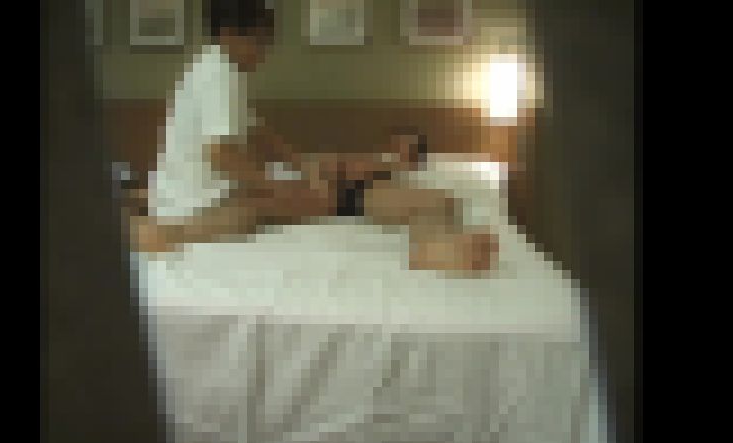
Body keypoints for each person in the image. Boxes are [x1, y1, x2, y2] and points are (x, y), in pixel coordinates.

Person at [133, 0, 498, 273]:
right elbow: (222, 153)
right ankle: (432, 249)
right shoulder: (219, 73)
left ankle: (436, 245)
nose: (265, 52)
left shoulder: (219, 71)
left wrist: (299, 165)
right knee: (252, 209)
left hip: (345, 191)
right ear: (229, 34)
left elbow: (257, 130)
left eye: (411, 147)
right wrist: (279, 182)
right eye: (260, 41)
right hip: (340, 195)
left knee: (441, 202)